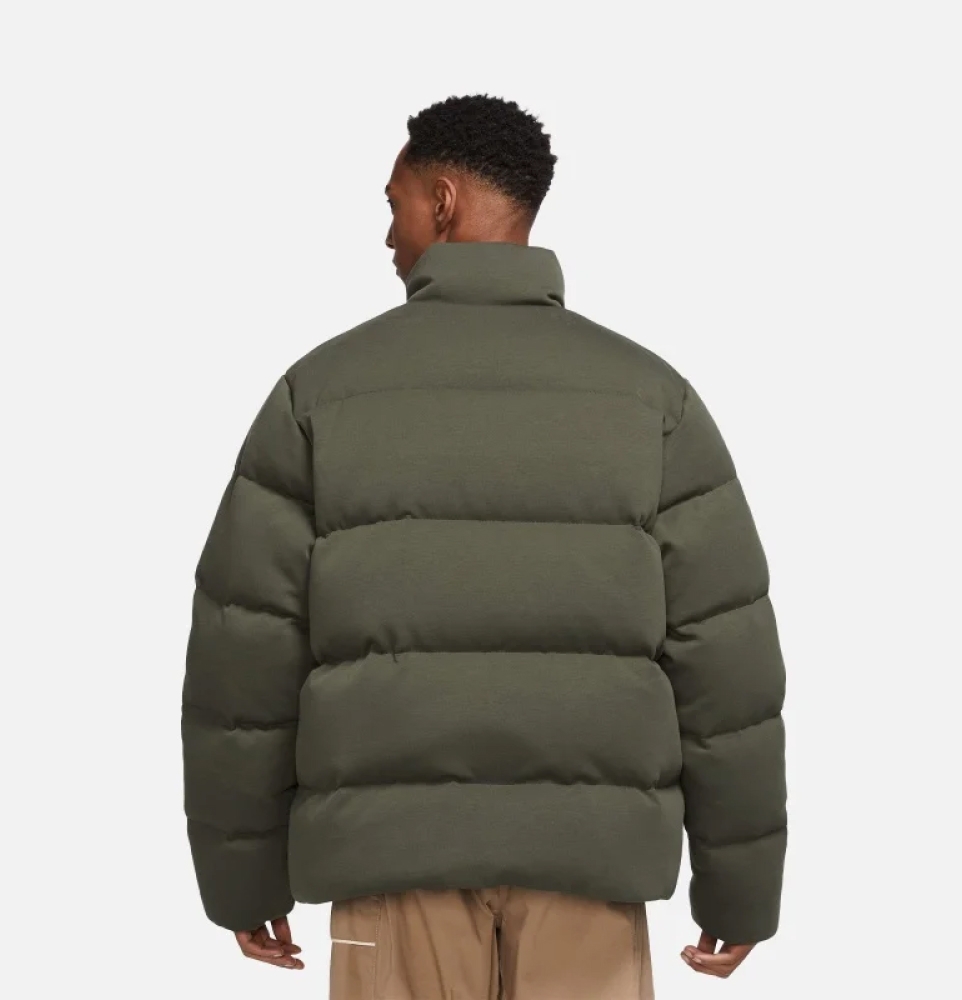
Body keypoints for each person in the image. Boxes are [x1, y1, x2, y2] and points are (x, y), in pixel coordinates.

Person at [180, 93, 787, 999]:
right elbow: (728, 672)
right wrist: (740, 887)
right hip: (592, 867)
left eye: (395, 205)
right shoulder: (652, 400)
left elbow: (244, 660)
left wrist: (241, 876)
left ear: (444, 201)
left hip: (387, 870)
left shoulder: (320, 394)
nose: (388, 235)